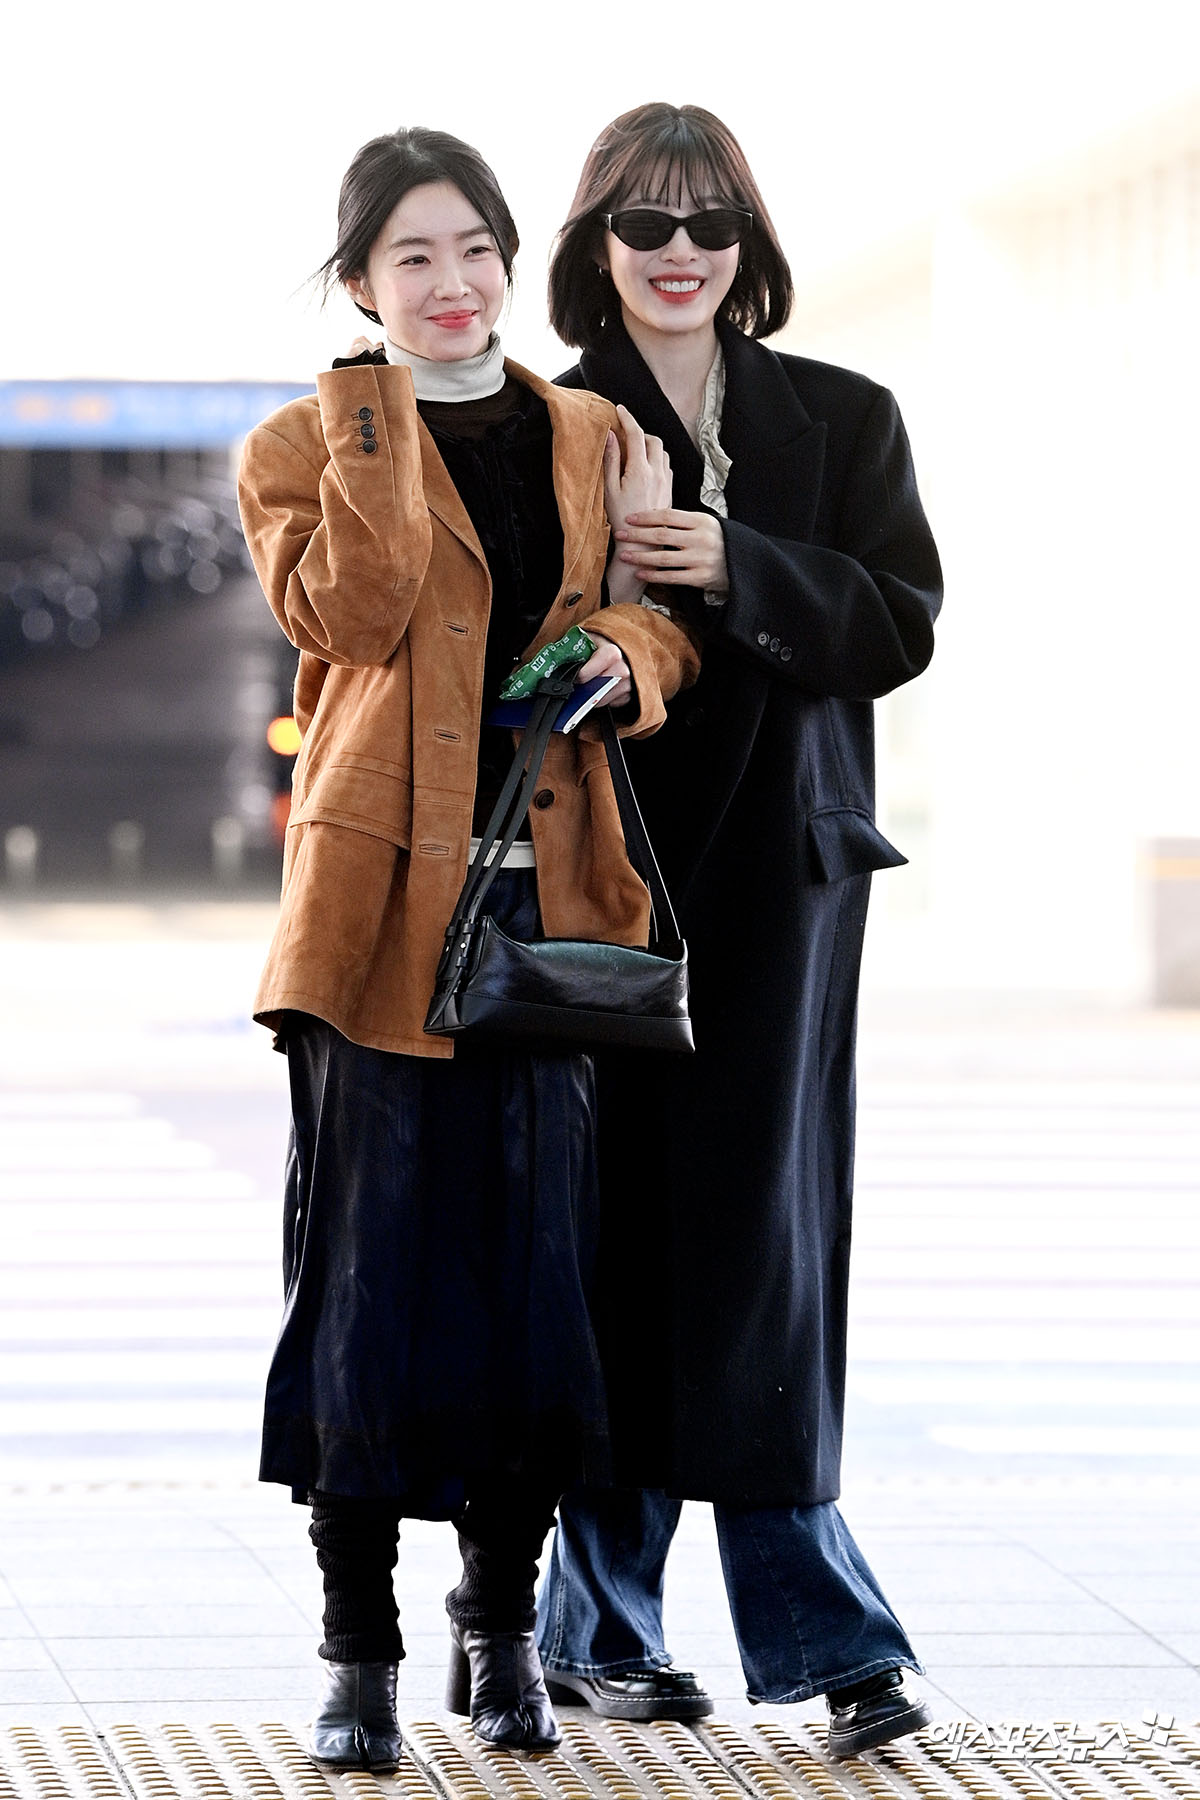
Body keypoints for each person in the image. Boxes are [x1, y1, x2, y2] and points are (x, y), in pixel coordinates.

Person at [237, 125, 698, 1767]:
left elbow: (661, 618)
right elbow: (350, 619)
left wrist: (625, 653)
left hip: (548, 920)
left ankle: (498, 1634)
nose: (454, 284)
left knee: (533, 1288)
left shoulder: (593, 433)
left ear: (510, 260)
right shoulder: (304, 441)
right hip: (372, 925)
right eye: (413, 258)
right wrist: (375, 415)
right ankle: (355, 1652)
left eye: (477, 250)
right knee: (366, 1288)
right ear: (362, 283)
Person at [534, 103, 943, 1759]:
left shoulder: (841, 416)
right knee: (610, 1239)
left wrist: (735, 564)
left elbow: (900, 622)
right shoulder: (550, 421)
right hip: (597, 876)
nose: (679, 250)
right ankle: (600, 1626)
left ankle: (820, 1633)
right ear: (599, 245)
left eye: (709, 221)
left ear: (748, 242)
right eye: (645, 222)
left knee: (764, 1244)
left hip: (780, 886)